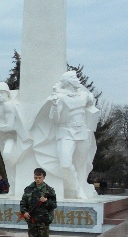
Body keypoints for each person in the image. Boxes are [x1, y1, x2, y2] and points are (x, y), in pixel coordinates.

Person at [48, 71, 100, 199]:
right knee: (65, 164)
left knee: (82, 165)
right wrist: (54, 106)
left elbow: (91, 104)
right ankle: (76, 188)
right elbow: (54, 120)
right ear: (68, 81)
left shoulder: (84, 95)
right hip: (65, 131)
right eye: (74, 78)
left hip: (82, 131)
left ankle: (81, 188)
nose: (77, 80)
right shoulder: (60, 97)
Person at [20, 168, 57, 237]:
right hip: (32, 220)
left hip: (43, 220)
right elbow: (23, 203)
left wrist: (46, 201)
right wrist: (24, 212)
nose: (37, 179)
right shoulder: (28, 189)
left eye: (39, 177)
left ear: (43, 177)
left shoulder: (49, 190)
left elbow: (53, 205)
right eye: (35, 177)